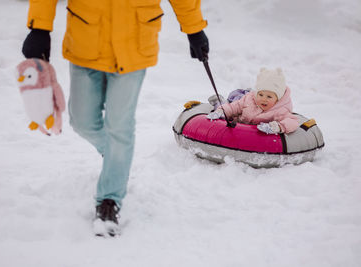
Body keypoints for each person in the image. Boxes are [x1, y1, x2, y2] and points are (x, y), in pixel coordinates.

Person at [21, 0, 209, 236]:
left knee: (120, 126)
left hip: (133, 47)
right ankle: (116, 158)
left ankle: (109, 200)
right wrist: (39, 27)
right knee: (82, 121)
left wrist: (194, 28)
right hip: (86, 41)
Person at [207, 68, 299, 134]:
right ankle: (218, 102)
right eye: (261, 95)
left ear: (278, 99)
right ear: (256, 93)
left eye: (269, 97)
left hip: (254, 134)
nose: (264, 99)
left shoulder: (280, 110)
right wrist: (221, 111)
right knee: (227, 107)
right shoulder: (249, 99)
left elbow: (293, 121)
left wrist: (278, 126)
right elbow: (233, 107)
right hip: (238, 121)